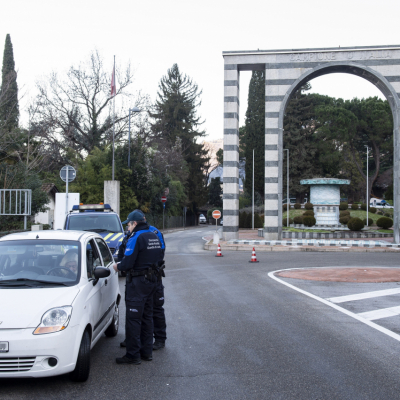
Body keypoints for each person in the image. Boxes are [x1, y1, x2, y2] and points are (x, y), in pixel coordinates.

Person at [113, 210, 164, 365]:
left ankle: (133, 355)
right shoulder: (153, 235)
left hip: (138, 283)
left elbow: (127, 263)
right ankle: (146, 352)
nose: (128, 228)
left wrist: (117, 266)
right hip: (152, 281)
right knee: (147, 317)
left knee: (134, 319)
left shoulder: (136, 237)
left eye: (128, 224)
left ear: (134, 223)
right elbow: (159, 257)